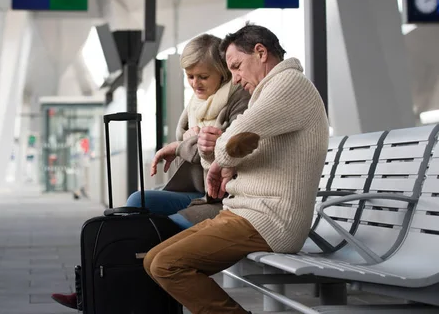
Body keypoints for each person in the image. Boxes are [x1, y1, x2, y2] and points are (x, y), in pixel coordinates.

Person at [51, 33, 251, 310]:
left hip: (220, 199)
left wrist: (186, 143)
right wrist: (189, 141)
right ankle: (93, 286)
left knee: (150, 231)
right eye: (190, 76)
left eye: (203, 76)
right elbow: (185, 138)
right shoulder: (196, 103)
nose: (195, 83)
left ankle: (118, 295)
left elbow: (216, 149)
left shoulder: (238, 97)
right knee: (136, 203)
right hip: (195, 192)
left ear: (221, 72)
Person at [143, 23, 329, 314]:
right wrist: (211, 154)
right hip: (243, 212)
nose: (236, 78)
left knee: (168, 264)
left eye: (237, 67)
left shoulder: (289, 84)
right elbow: (228, 151)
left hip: (270, 219)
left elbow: (233, 140)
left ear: (261, 52)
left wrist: (219, 153)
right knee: (153, 260)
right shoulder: (267, 93)